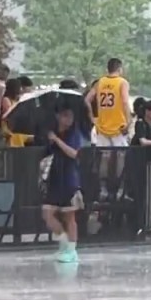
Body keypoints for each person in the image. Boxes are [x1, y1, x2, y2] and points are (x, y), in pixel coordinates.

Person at [41, 102, 85, 263]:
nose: (69, 119)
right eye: (65, 115)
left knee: (69, 216)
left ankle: (72, 250)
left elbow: (74, 153)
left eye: (71, 116)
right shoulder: (51, 133)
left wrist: (57, 141)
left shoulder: (74, 134)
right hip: (54, 178)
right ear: (58, 116)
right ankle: (64, 241)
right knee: (47, 214)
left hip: (69, 178)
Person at [86, 58, 131, 147]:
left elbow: (87, 100)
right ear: (119, 69)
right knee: (120, 157)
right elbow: (125, 102)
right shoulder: (122, 82)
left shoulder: (100, 82)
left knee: (104, 157)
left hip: (102, 126)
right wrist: (128, 121)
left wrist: (92, 118)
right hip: (118, 127)